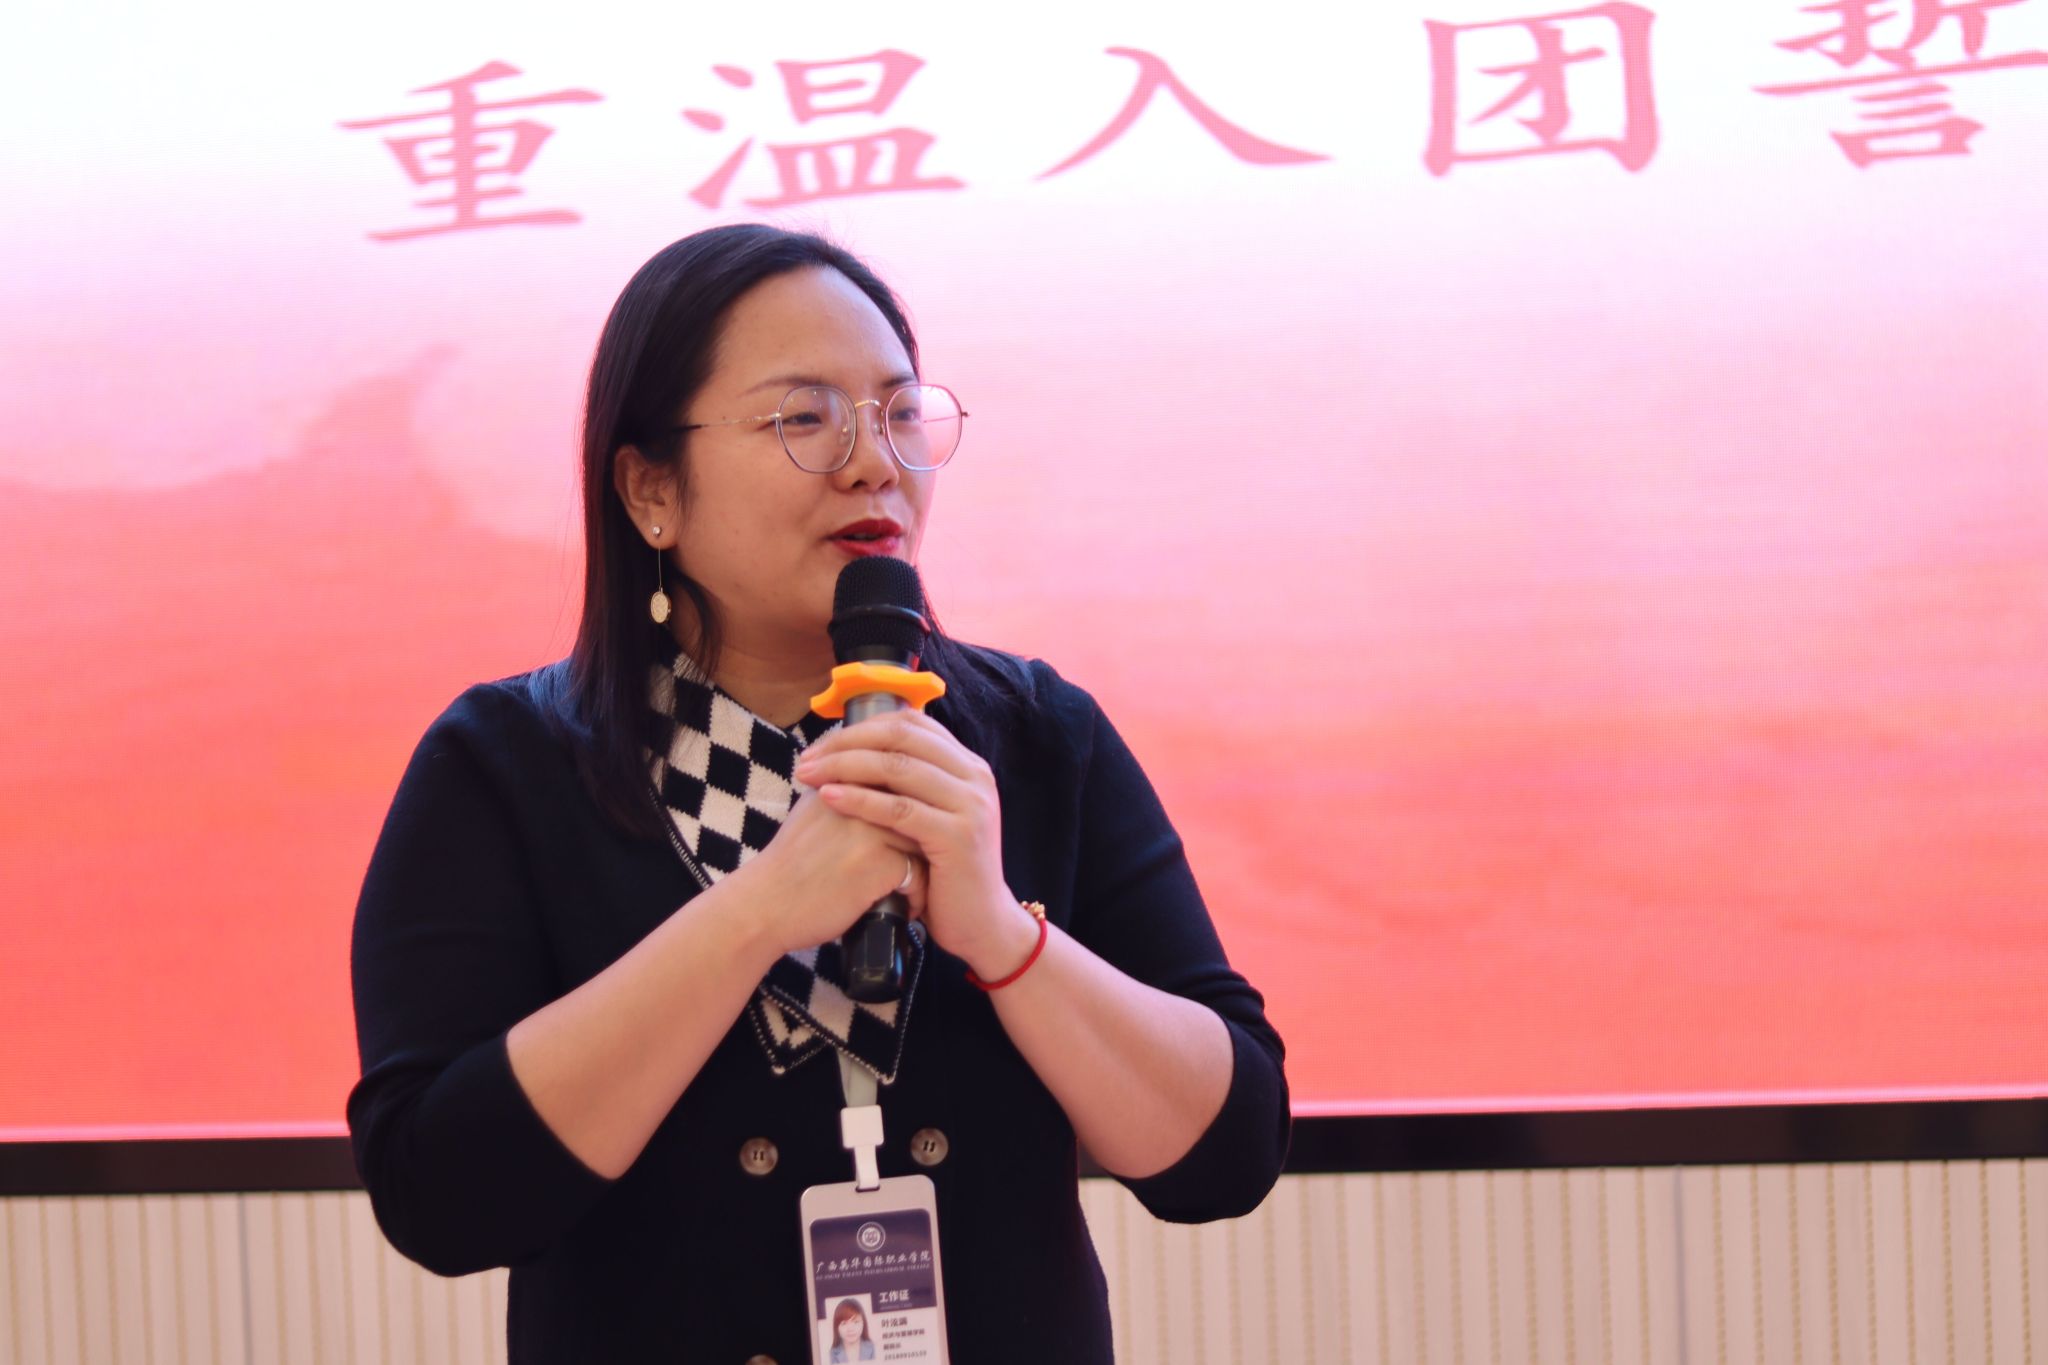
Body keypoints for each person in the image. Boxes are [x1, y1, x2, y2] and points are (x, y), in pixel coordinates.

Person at [347, 223, 1290, 1363]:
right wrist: (758, 911)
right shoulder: (504, 766)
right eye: (803, 418)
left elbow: (1226, 1157)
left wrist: (1003, 937)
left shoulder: (1037, 738)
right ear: (650, 489)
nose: (872, 462)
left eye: (898, 414)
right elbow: (441, 1200)